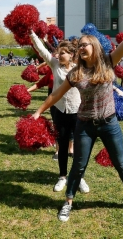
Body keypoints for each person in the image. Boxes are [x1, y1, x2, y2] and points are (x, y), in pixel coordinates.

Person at [32, 25, 123, 222]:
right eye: (80, 46)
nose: (81, 48)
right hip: (85, 125)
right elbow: (56, 94)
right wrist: (38, 111)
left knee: (120, 163)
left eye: (84, 45)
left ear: (94, 46)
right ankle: (68, 202)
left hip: (109, 123)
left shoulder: (109, 61)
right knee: (78, 165)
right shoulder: (75, 73)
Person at [30, 30, 89, 194]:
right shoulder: (54, 65)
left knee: (79, 146)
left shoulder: (80, 68)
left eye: (63, 52)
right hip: (59, 111)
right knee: (62, 145)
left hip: (78, 112)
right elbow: (42, 50)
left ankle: (79, 177)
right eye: (58, 52)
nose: (59, 54)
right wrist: (32, 34)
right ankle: (62, 176)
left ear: (71, 54)